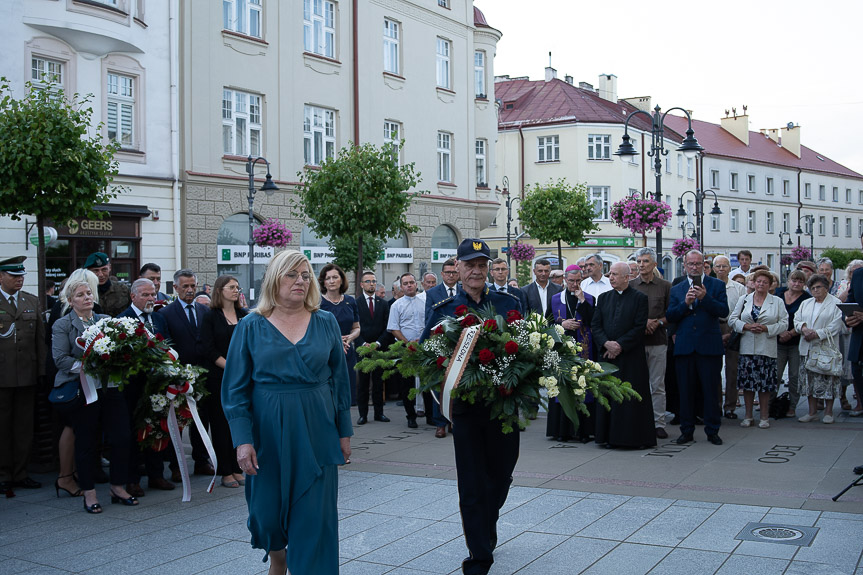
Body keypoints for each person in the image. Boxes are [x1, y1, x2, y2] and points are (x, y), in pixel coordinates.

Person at [221, 250, 352, 575]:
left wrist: (344, 431)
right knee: (265, 516)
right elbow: (235, 390)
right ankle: (278, 556)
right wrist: (242, 439)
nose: (301, 281)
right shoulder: (250, 326)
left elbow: (339, 380)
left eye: (305, 275)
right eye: (292, 275)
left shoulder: (326, 321)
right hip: (267, 435)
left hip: (317, 433)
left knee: (315, 524)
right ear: (274, 279)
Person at [421, 238, 522, 575]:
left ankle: (485, 525)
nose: (477, 270)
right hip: (466, 410)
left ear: (489, 268)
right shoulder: (443, 311)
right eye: (470, 264)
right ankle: (479, 555)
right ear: (458, 268)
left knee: (501, 476)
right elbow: (427, 353)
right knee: (472, 483)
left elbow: (528, 347)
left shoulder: (511, 303)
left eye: (482, 264)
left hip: (504, 409)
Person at [52, 278, 136, 513]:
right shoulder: (63, 325)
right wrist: (89, 365)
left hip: (110, 387)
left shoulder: (106, 321)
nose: (87, 297)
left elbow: (120, 350)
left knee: (121, 437)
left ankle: (118, 486)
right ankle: (88, 492)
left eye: (89, 293)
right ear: (70, 301)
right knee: (87, 441)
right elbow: (60, 359)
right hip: (83, 389)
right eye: (80, 295)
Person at [118, 279, 176, 494]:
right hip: (134, 386)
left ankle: (156, 475)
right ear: (133, 296)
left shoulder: (159, 318)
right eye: (145, 295)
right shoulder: (123, 319)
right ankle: (132, 478)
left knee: (157, 429)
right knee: (134, 432)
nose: (151, 298)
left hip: (158, 384)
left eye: (153, 294)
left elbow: (169, 345)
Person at [666, 250, 728, 446]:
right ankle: (686, 430)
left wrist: (705, 298)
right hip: (685, 347)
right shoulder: (677, 288)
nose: (694, 267)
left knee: (710, 391)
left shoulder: (716, 285)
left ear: (703, 264)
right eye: (690, 264)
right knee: (685, 391)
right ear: (684, 265)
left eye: (698, 263)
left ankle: (712, 430)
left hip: (709, 346)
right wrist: (686, 303)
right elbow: (671, 316)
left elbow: (723, 311)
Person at [591, 262, 655, 449]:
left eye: (615, 274)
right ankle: (607, 437)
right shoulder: (603, 298)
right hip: (607, 355)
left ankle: (632, 438)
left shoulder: (639, 298)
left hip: (630, 357)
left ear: (627, 277)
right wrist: (606, 343)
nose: (610, 277)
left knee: (630, 398)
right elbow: (596, 325)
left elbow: (638, 326)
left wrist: (619, 345)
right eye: (610, 274)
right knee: (608, 395)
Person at [159, 269, 215, 478]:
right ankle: (176, 466)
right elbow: (166, 345)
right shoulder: (166, 313)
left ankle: (201, 461)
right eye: (185, 286)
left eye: (193, 286)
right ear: (175, 288)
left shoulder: (204, 311)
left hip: (203, 373)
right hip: (179, 376)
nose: (190, 290)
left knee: (202, 419)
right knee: (179, 421)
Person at [0, 256, 46, 494]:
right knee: (2, 427)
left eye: (21, 276)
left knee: (24, 427)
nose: (19, 280)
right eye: (13, 276)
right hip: (2, 377)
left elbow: (40, 341)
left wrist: (40, 372)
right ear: (1, 277)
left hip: (26, 375)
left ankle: (21, 472)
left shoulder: (31, 301)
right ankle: (3, 473)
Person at [198, 275, 248, 489]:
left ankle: (238, 468)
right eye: (231, 287)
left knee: (238, 422)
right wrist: (231, 367)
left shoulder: (243, 315)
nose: (236, 290)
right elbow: (207, 348)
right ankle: (225, 471)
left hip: (242, 378)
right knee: (220, 425)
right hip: (219, 377)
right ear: (220, 291)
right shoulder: (211, 317)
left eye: (237, 287)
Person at [728, 270, 788, 429]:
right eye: (758, 281)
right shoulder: (744, 299)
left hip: (766, 347)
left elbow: (784, 323)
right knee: (747, 384)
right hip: (747, 347)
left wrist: (766, 328)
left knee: (765, 385)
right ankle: (748, 416)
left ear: (770, 285)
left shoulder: (777, 301)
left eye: (765, 282)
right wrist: (746, 326)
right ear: (753, 283)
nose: (761, 284)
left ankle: (764, 416)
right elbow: (732, 320)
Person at [548, 266, 595, 441]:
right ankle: (563, 431)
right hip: (562, 348)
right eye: (571, 281)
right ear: (565, 280)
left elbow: (593, 321)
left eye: (578, 281)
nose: (575, 284)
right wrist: (563, 325)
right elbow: (547, 323)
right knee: (563, 385)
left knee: (583, 385)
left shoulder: (589, 298)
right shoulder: (555, 299)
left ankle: (584, 431)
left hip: (584, 348)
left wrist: (582, 302)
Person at [630, 248, 671, 439]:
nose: (641, 265)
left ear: (654, 264)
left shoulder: (665, 286)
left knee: (657, 384)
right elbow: (626, 314)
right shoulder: (630, 286)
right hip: (636, 343)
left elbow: (672, 314)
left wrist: (658, 322)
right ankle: (638, 420)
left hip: (658, 341)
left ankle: (659, 423)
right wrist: (642, 324)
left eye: (645, 261)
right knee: (636, 384)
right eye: (638, 261)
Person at [796, 274, 846, 424]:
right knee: (809, 381)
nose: (815, 290)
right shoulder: (806, 303)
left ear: (826, 288)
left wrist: (817, 334)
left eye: (819, 287)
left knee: (828, 380)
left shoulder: (835, 303)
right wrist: (804, 329)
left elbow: (836, 325)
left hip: (826, 349)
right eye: (812, 288)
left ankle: (828, 412)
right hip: (807, 347)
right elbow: (797, 319)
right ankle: (812, 412)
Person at [318, 264, 361, 407]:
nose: (331, 281)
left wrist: (350, 337)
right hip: (326, 353)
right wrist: (334, 340)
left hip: (347, 352)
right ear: (323, 282)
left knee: (345, 397)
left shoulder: (350, 301)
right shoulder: (317, 303)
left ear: (341, 280)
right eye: (327, 278)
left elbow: (357, 328)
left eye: (335, 277)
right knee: (328, 395)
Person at [387, 273, 426, 428]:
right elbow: (393, 328)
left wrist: (421, 341)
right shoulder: (396, 305)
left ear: (416, 284)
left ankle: (429, 415)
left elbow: (428, 323)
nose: (409, 285)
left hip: (424, 347)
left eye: (412, 282)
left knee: (427, 382)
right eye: (406, 283)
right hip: (405, 349)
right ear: (401, 287)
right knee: (407, 384)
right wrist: (408, 342)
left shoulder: (424, 302)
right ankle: (411, 416)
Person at [713, 256, 748, 419]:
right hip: (714, 327)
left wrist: (732, 331)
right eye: (718, 266)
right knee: (714, 370)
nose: (721, 269)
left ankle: (730, 406)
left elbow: (742, 312)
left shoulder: (739, 288)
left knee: (733, 370)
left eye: (724, 266)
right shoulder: (710, 286)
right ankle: (717, 405)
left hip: (733, 327)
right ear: (713, 269)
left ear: (730, 268)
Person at [774, 270, 812, 418]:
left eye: (800, 281)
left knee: (795, 376)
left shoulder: (807, 299)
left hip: (797, 342)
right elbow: (772, 315)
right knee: (775, 374)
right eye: (794, 280)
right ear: (788, 281)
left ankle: (792, 406)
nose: (796, 284)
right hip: (778, 340)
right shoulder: (778, 294)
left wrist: (791, 333)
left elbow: (807, 320)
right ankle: (769, 403)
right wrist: (779, 332)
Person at [355, 271, 391, 425]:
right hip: (363, 348)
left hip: (379, 349)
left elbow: (387, 327)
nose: (371, 284)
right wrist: (363, 344)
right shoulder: (355, 303)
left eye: (374, 281)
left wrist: (378, 343)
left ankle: (379, 413)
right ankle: (363, 414)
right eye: (368, 281)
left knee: (378, 383)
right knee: (363, 384)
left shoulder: (383, 303)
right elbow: (354, 327)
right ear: (362, 284)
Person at [838, 260, 863, 415]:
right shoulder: (858, 274)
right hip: (860, 340)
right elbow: (850, 302)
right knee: (857, 373)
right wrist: (847, 318)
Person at [84, 252, 130, 317]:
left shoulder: (123, 290)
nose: (100, 274)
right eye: (96, 271)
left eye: (104, 270)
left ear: (110, 268)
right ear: (88, 271)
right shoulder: (84, 293)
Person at [524, 258, 562, 322]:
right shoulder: (525, 291)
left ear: (550, 272)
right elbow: (525, 313)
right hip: (533, 329)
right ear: (534, 271)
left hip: (554, 327)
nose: (543, 274)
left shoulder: (558, 289)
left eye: (546, 271)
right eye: (540, 271)